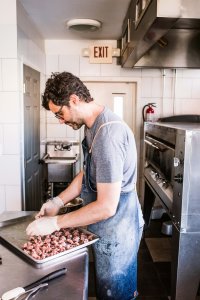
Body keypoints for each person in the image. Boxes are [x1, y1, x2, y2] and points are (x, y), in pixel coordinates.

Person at [26, 72, 144, 300]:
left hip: (118, 228)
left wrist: (55, 223)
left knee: (116, 294)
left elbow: (107, 207)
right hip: (106, 227)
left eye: (60, 113)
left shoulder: (108, 136)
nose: (60, 120)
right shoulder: (93, 126)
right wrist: (57, 202)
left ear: (74, 100)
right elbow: (86, 173)